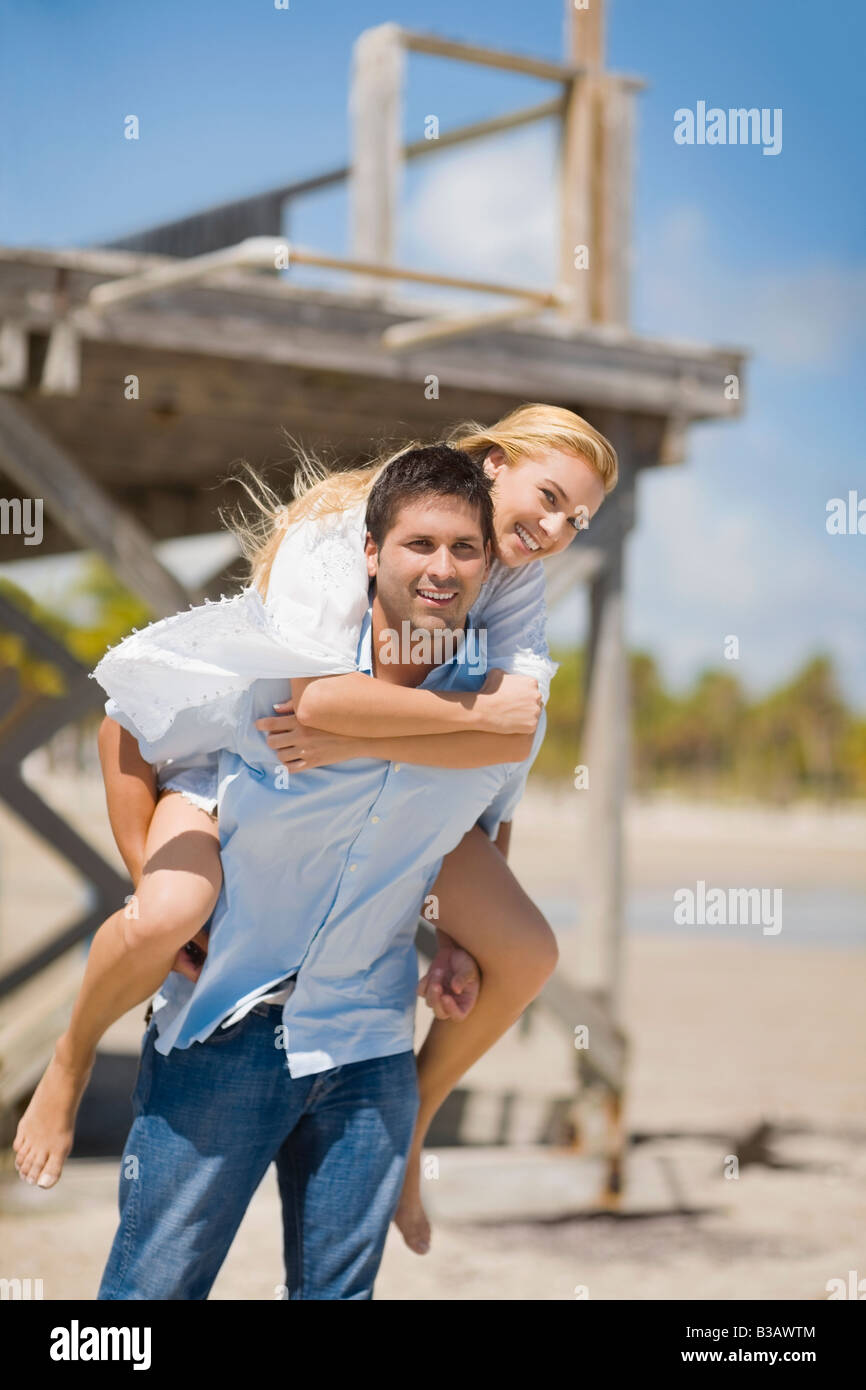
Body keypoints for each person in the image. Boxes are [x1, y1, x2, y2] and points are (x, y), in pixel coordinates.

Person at [14, 404, 617, 1258]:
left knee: (525, 954)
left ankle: (415, 1126)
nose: (556, 527)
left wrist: (455, 937)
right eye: (549, 496)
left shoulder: (513, 577)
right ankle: (70, 1063)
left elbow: (511, 750)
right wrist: (369, 722)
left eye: (577, 518)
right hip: (216, 760)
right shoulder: (339, 532)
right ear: (491, 463)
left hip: (394, 797)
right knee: (167, 911)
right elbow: (315, 702)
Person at [97, 444, 554, 1299]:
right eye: (420, 545)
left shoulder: (498, 710)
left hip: (371, 1044)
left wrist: (457, 940)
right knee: (150, 1297)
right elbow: (129, 719)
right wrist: (150, 882)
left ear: (490, 567)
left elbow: (484, 825)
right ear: (372, 554)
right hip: (226, 1032)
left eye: (466, 550)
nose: (443, 568)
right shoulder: (281, 677)